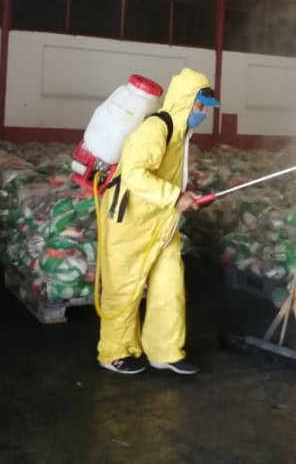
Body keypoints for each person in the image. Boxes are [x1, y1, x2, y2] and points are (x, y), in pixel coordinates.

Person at [96, 67, 220, 375]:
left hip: (161, 221)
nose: (203, 112)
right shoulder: (156, 129)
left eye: (205, 107)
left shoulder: (180, 134)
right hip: (129, 220)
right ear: (185, 101)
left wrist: (183, 194)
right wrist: (174, 197)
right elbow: (134, 174)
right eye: (200, 105)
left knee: (169, 285)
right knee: (123, 289)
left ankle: (165, 351)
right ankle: (115, 352)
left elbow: (166, 177)